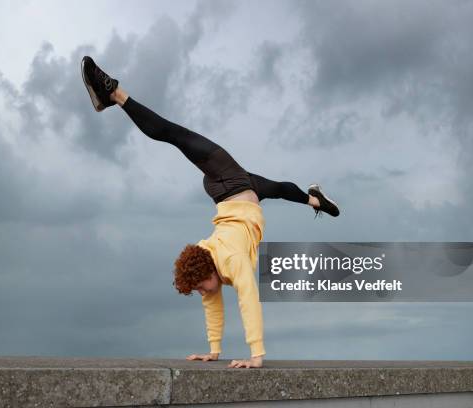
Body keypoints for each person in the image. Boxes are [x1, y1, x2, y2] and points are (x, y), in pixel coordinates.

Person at [80, 56, 340, 369]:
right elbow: (212, 306)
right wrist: (213, 350)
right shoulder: (207, 265)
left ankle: (114, 92)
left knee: (174, 135)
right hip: (235, 196)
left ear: (209, 271)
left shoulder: (231, 261)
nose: (204, 293)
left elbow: (248, 299)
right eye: (200, 290)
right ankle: (314, 201)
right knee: (278, 189)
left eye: (201, 286)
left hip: (227, 184)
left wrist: (256, 355)